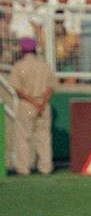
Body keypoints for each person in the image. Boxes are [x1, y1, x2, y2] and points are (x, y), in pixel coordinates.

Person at [8, 37, 57, 175]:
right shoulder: (44, 66)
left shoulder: (19, 66)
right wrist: (41, 103)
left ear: (22, 50)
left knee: (23, 137)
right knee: (44, 137)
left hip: (26, 105)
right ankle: (46, 167)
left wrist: (33, 102)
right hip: (43, 104)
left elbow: (18, 90)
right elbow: (50, 87)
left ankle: (23, 168)